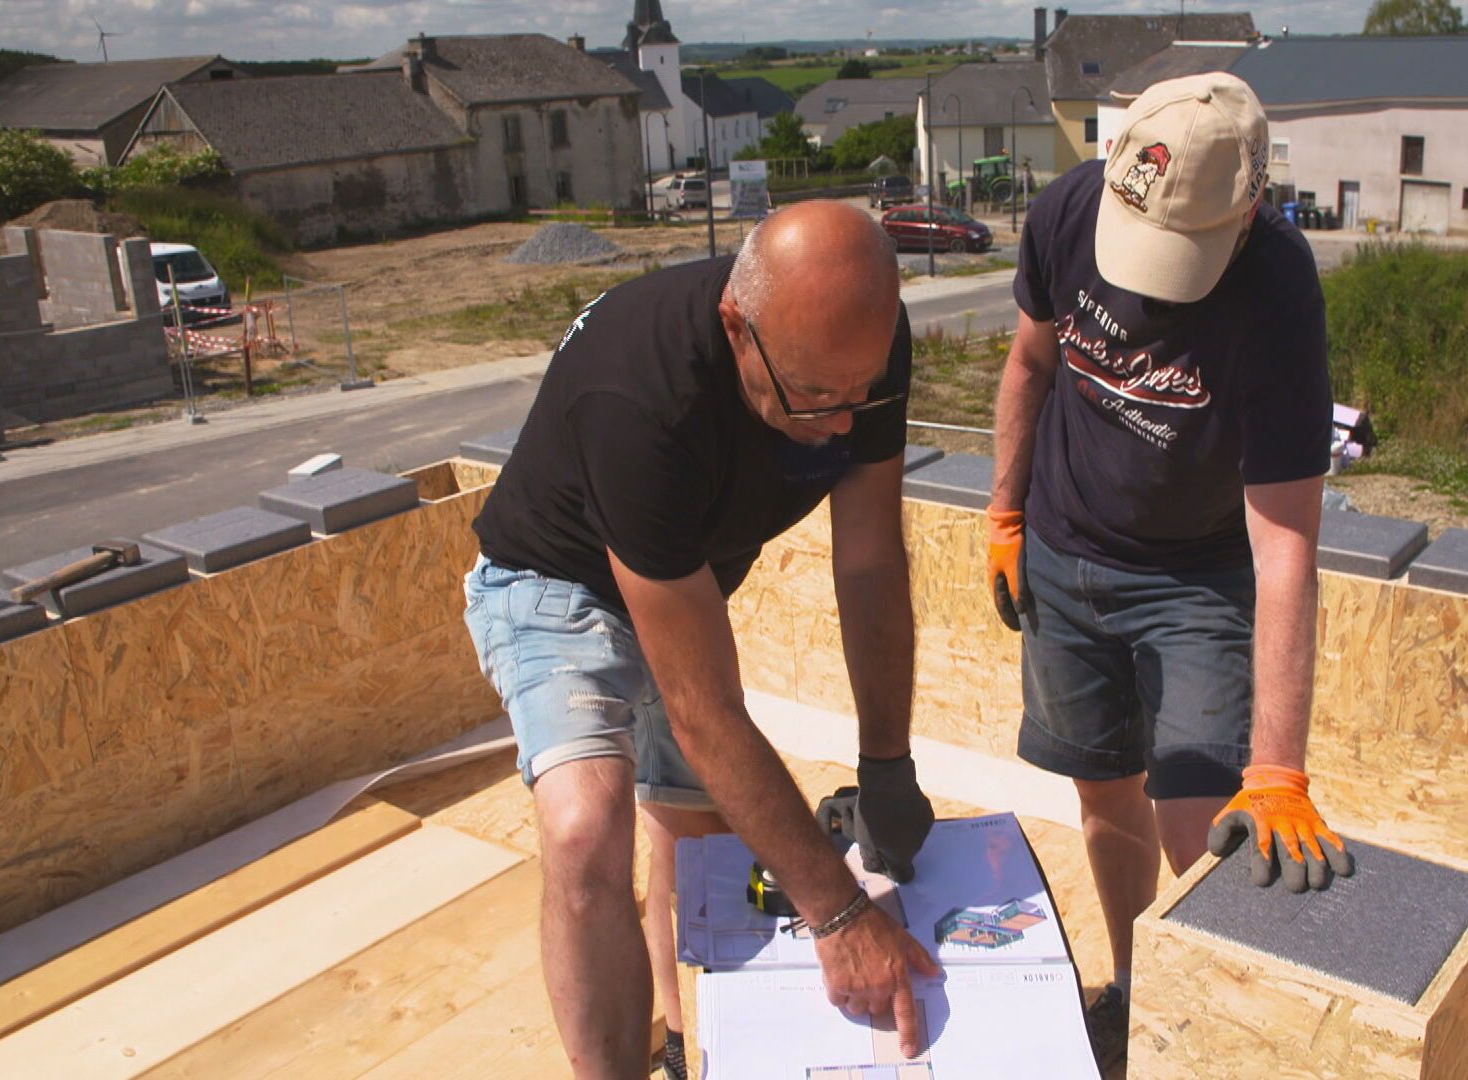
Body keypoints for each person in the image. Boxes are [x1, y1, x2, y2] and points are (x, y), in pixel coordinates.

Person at [465, 201, 940, 1080]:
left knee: (697, 841)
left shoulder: (853, 345)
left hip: (686, 579)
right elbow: (701, 710)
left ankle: (685, 1044)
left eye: (859, 395)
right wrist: (838, 917)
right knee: (585, 823)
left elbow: (870, 562)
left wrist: (886, 763)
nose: (843, 423)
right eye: (815, 398)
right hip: (556, 581)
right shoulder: (642, 398)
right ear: (738, 328)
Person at [986, 73, 1354, 1069]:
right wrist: (1006, 513)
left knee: (1203, 831)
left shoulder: (1274, 294)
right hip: (1063, 555)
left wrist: (1277, 770)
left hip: (1197, 584)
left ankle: (1202, 1041)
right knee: (1106, 802)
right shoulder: (1072, 208)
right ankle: (1133, 991)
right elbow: (1029, 367)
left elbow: (1285, 544)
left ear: (1248, 209)